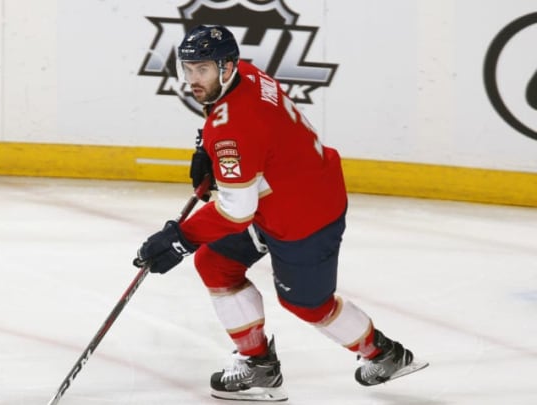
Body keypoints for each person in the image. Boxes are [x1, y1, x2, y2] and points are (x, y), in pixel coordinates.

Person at [134, 24, 426, 402]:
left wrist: (181, 237)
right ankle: (259, 366)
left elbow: (236, 212)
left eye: (201, 69)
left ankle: (384, 354)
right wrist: (209, 151)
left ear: (226, 67)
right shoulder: (248, 75)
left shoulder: (234, 130)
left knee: (306, 303)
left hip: (304, 217)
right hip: (284, 195)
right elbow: (248, 134)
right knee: (215, 264)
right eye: (188, 69)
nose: (193, 79)